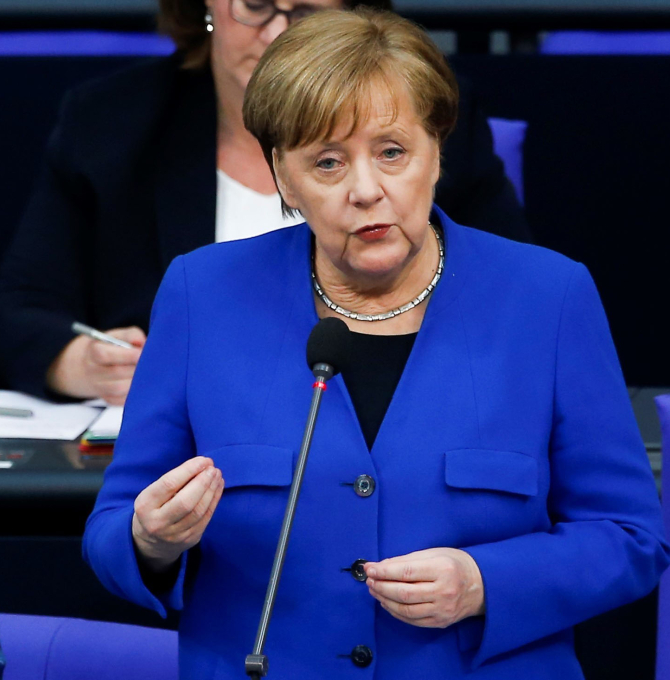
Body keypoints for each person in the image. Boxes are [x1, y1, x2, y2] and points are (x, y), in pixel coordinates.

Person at [83, 9, 668, 679]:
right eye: (327, 163)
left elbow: (631, 539)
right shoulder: (201, 295)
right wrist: (148, 539)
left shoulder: (549, 298)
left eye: (392, 152)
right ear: (283, 176)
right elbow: (111, 531)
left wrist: (484, 581)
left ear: (437, 151)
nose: (367, 190)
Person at [0, 0, 529, 405]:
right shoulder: (109, 123)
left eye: (304, 12)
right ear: (204, 6)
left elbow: (513, 300)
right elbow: (19, 308)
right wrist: (78, 363)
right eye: (255, 5)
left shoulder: (418, 117)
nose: (278, 33)